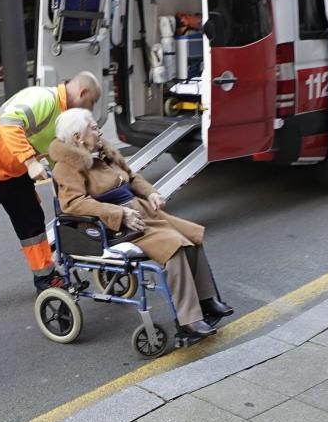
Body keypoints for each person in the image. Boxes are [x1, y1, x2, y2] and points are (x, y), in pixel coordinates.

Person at [48, 108, 234, 337]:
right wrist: (119, 213)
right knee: (174, 247)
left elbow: (132, 176)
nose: (99, 131)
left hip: (140, 212)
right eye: (94, 128)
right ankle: (188, 320)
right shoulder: (67, 167)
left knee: (192, 238)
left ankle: (206, 300)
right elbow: (73, 204)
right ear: (78, 137)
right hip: (112, 226)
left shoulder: (102, 151)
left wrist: (152, 193)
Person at [0, 72, 102, 322]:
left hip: (15, 172)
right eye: (91, 104)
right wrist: (30, 161)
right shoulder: (42, 98)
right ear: (82, 94)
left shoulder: (66, 117)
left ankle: (45, 278)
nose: (91, 111)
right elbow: (9, 122)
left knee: (32, 225)